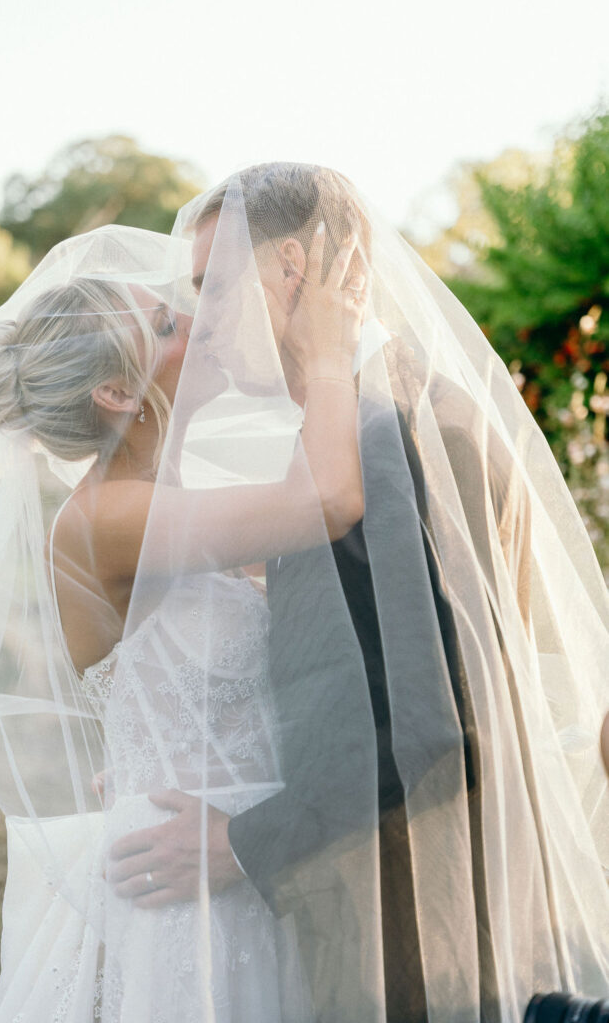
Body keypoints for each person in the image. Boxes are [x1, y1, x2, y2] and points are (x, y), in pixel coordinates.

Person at [111, 164, 609, 1022]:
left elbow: (440, 722)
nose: (201, 319)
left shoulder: (394, 440)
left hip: (408, 924)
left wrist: (241, 840)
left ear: (291, 269)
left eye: (212, 285)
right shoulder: (394, 415)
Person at [0, 223, 372, 1021]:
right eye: (165, 326)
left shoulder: (169, 502)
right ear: (118, 393)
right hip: (188, 884)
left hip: (231, 854)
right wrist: (331, 349)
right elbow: (332, 500)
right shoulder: (108, 517)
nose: (197, 321)